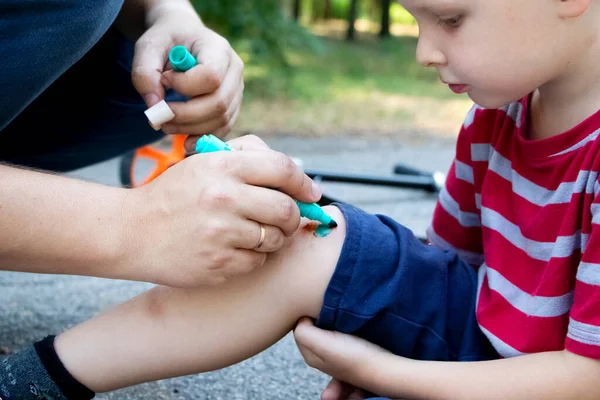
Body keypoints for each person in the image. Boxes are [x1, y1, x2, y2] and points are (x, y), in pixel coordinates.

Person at [5, 0, 600, 399]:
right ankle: (28, 381)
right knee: (305, 240)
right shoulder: (496, 118)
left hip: (561, 378)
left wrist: (385, 372)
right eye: (416, 21)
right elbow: (443, 269)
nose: (425, 52)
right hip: (480, 344)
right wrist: (380, 329)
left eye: (449, 19)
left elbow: (587, 377)